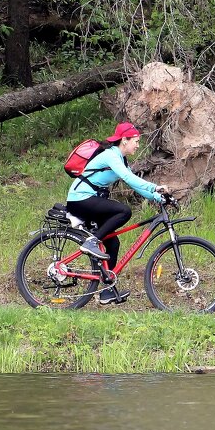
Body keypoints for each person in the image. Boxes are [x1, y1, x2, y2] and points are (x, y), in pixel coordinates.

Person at [66, 122, 167, 304]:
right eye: (135, 141)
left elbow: (134, 184)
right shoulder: (111, 155)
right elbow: (129, 177)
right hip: (80, 199)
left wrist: (159, 198)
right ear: (124, 140)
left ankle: (106, 291)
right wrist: (155, 187)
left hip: (91, 200)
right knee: (124, 211)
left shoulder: (121, 159)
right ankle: (92, 242)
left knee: (113, 244)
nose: (138, 145)